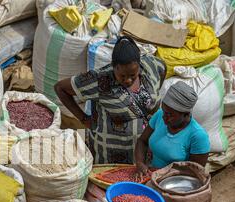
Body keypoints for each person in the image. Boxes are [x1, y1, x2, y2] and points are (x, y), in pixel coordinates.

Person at [54, 36, 166, 164]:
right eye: (122, 76)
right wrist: (84, 119)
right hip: (111, 152)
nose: (128, 80)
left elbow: (162, 69)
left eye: (132, 75)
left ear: (139, 65)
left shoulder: (150, 65)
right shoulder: (100, 80)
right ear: (113, 67)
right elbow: (60, 88)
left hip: (144, 148)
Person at [134, 82, 210, 180]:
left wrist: (160, 176)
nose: (164, 117)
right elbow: (142, 141)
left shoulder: (198, 136)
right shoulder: (160, 116)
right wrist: (140, 163)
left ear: (185, 114)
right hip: (151, 175)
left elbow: (194, 172)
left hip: (175, 183)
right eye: (164, 111)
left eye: (170, 115)